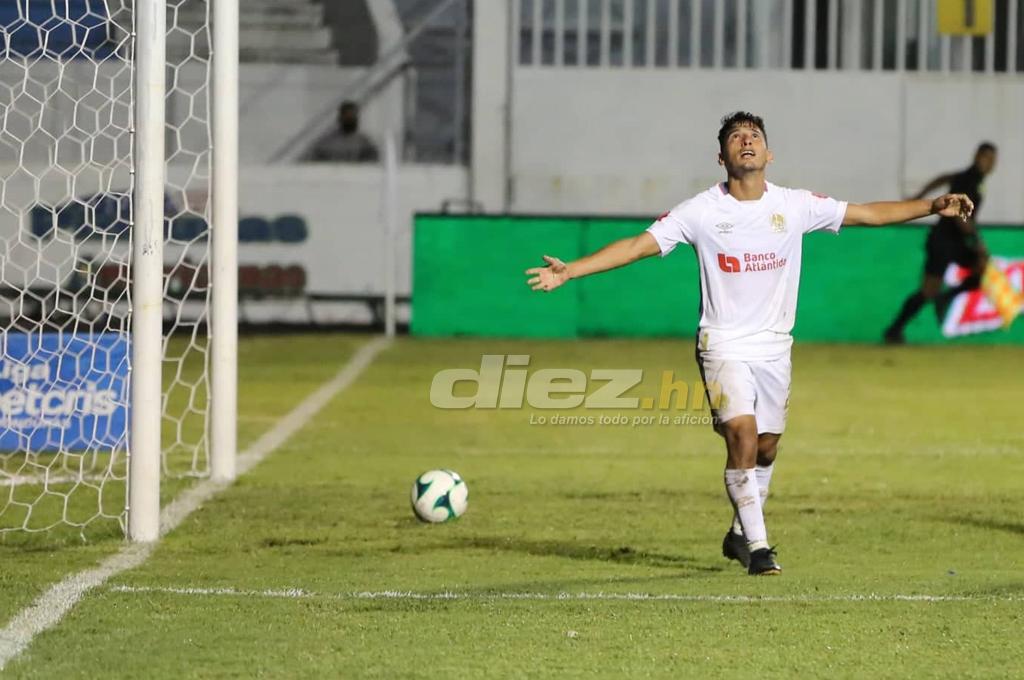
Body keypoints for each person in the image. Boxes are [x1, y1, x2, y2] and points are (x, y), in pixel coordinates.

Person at [524, 112, 973, 576]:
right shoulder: (700, 211)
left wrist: (932, 206)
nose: (746, 141)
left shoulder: (795, 205)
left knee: (766, 446)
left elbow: (867, 213)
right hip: (721, 345)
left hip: (775, 348)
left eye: (754, 136)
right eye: (736, 137)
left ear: (768, 153)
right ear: (721, 157)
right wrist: (571, 269)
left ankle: (738, 533)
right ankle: (759, 548)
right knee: (740, 433)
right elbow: (638, 246)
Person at [883, 143, 997, 343]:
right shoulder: (968, 180)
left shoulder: (972, 179)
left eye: (993, 159)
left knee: (983, 269)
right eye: (987, 157)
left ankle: (946, 297)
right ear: (977, 156)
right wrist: (977, 241)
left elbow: (944, 179)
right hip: (943, 240)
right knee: (928, 290)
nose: (990, 163)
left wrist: (920, 193)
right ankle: (895, 329)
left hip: (957, 242)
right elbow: (960, 217)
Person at [311, 101, 379, 162]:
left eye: (353, 116)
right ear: (340, 118)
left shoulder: (364, 142)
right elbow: (314, 160)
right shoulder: (326, 142)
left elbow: (372, 161)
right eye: (347, 116)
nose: (350, 119)